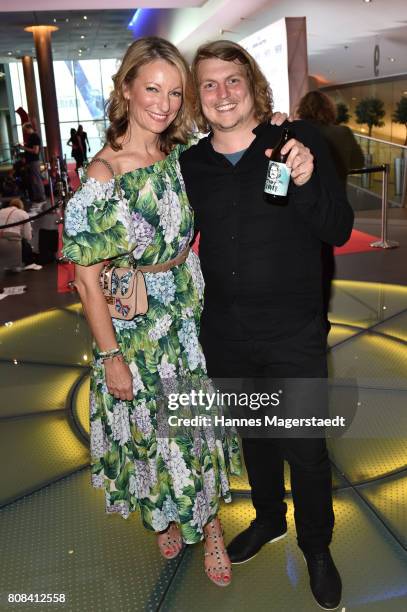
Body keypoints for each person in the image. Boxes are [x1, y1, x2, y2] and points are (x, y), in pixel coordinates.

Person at [179, 41, 354, 610]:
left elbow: (337, 229)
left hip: (293, 332)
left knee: (304, 447)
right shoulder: (191, 165)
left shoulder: (295, 143)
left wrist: (305, 180)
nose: (222, 94)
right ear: (197, 97)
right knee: (254, 438)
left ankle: (317, 546)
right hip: (226, 334)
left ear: (252, 85)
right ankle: (269, 519)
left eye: (232, 80)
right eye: (209, 84)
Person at [62, 37, 241, 588]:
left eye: (174, 92)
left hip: (189, 315)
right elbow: (86, 283)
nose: (163, 104)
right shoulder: (103, 176)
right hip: (137, 331)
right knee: (152, 437)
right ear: (126, 90)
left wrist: (280, 128)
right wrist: (111, 356)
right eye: (152, 90)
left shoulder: (179, 155)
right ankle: (165, 513)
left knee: (193, 432)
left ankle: (209, 525)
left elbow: (238, 143)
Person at [296, 90, 364, 326]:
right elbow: (359, 162)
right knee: (325, 261)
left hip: (303, 208)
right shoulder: (341, 133)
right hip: (334, 208)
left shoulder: (296, 132)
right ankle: (322, 317)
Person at [0, 197, 40, 273]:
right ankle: (29, 263)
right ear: (21, 206)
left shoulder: (1, 211)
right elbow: (27, 235)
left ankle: (8, 264)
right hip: (12, 242)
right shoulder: (23, 213)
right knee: (25, 242)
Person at [21, 123, 46, 203]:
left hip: (34, 161)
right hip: (32, 161)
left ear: (29, 128)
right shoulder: (32, 137)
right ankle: (37, 196)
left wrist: (24, 148)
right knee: (34, 179)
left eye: (25, 130)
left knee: (37, 179)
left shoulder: (35, 137)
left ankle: (41, 196)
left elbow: (35, 151)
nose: (25, 132)